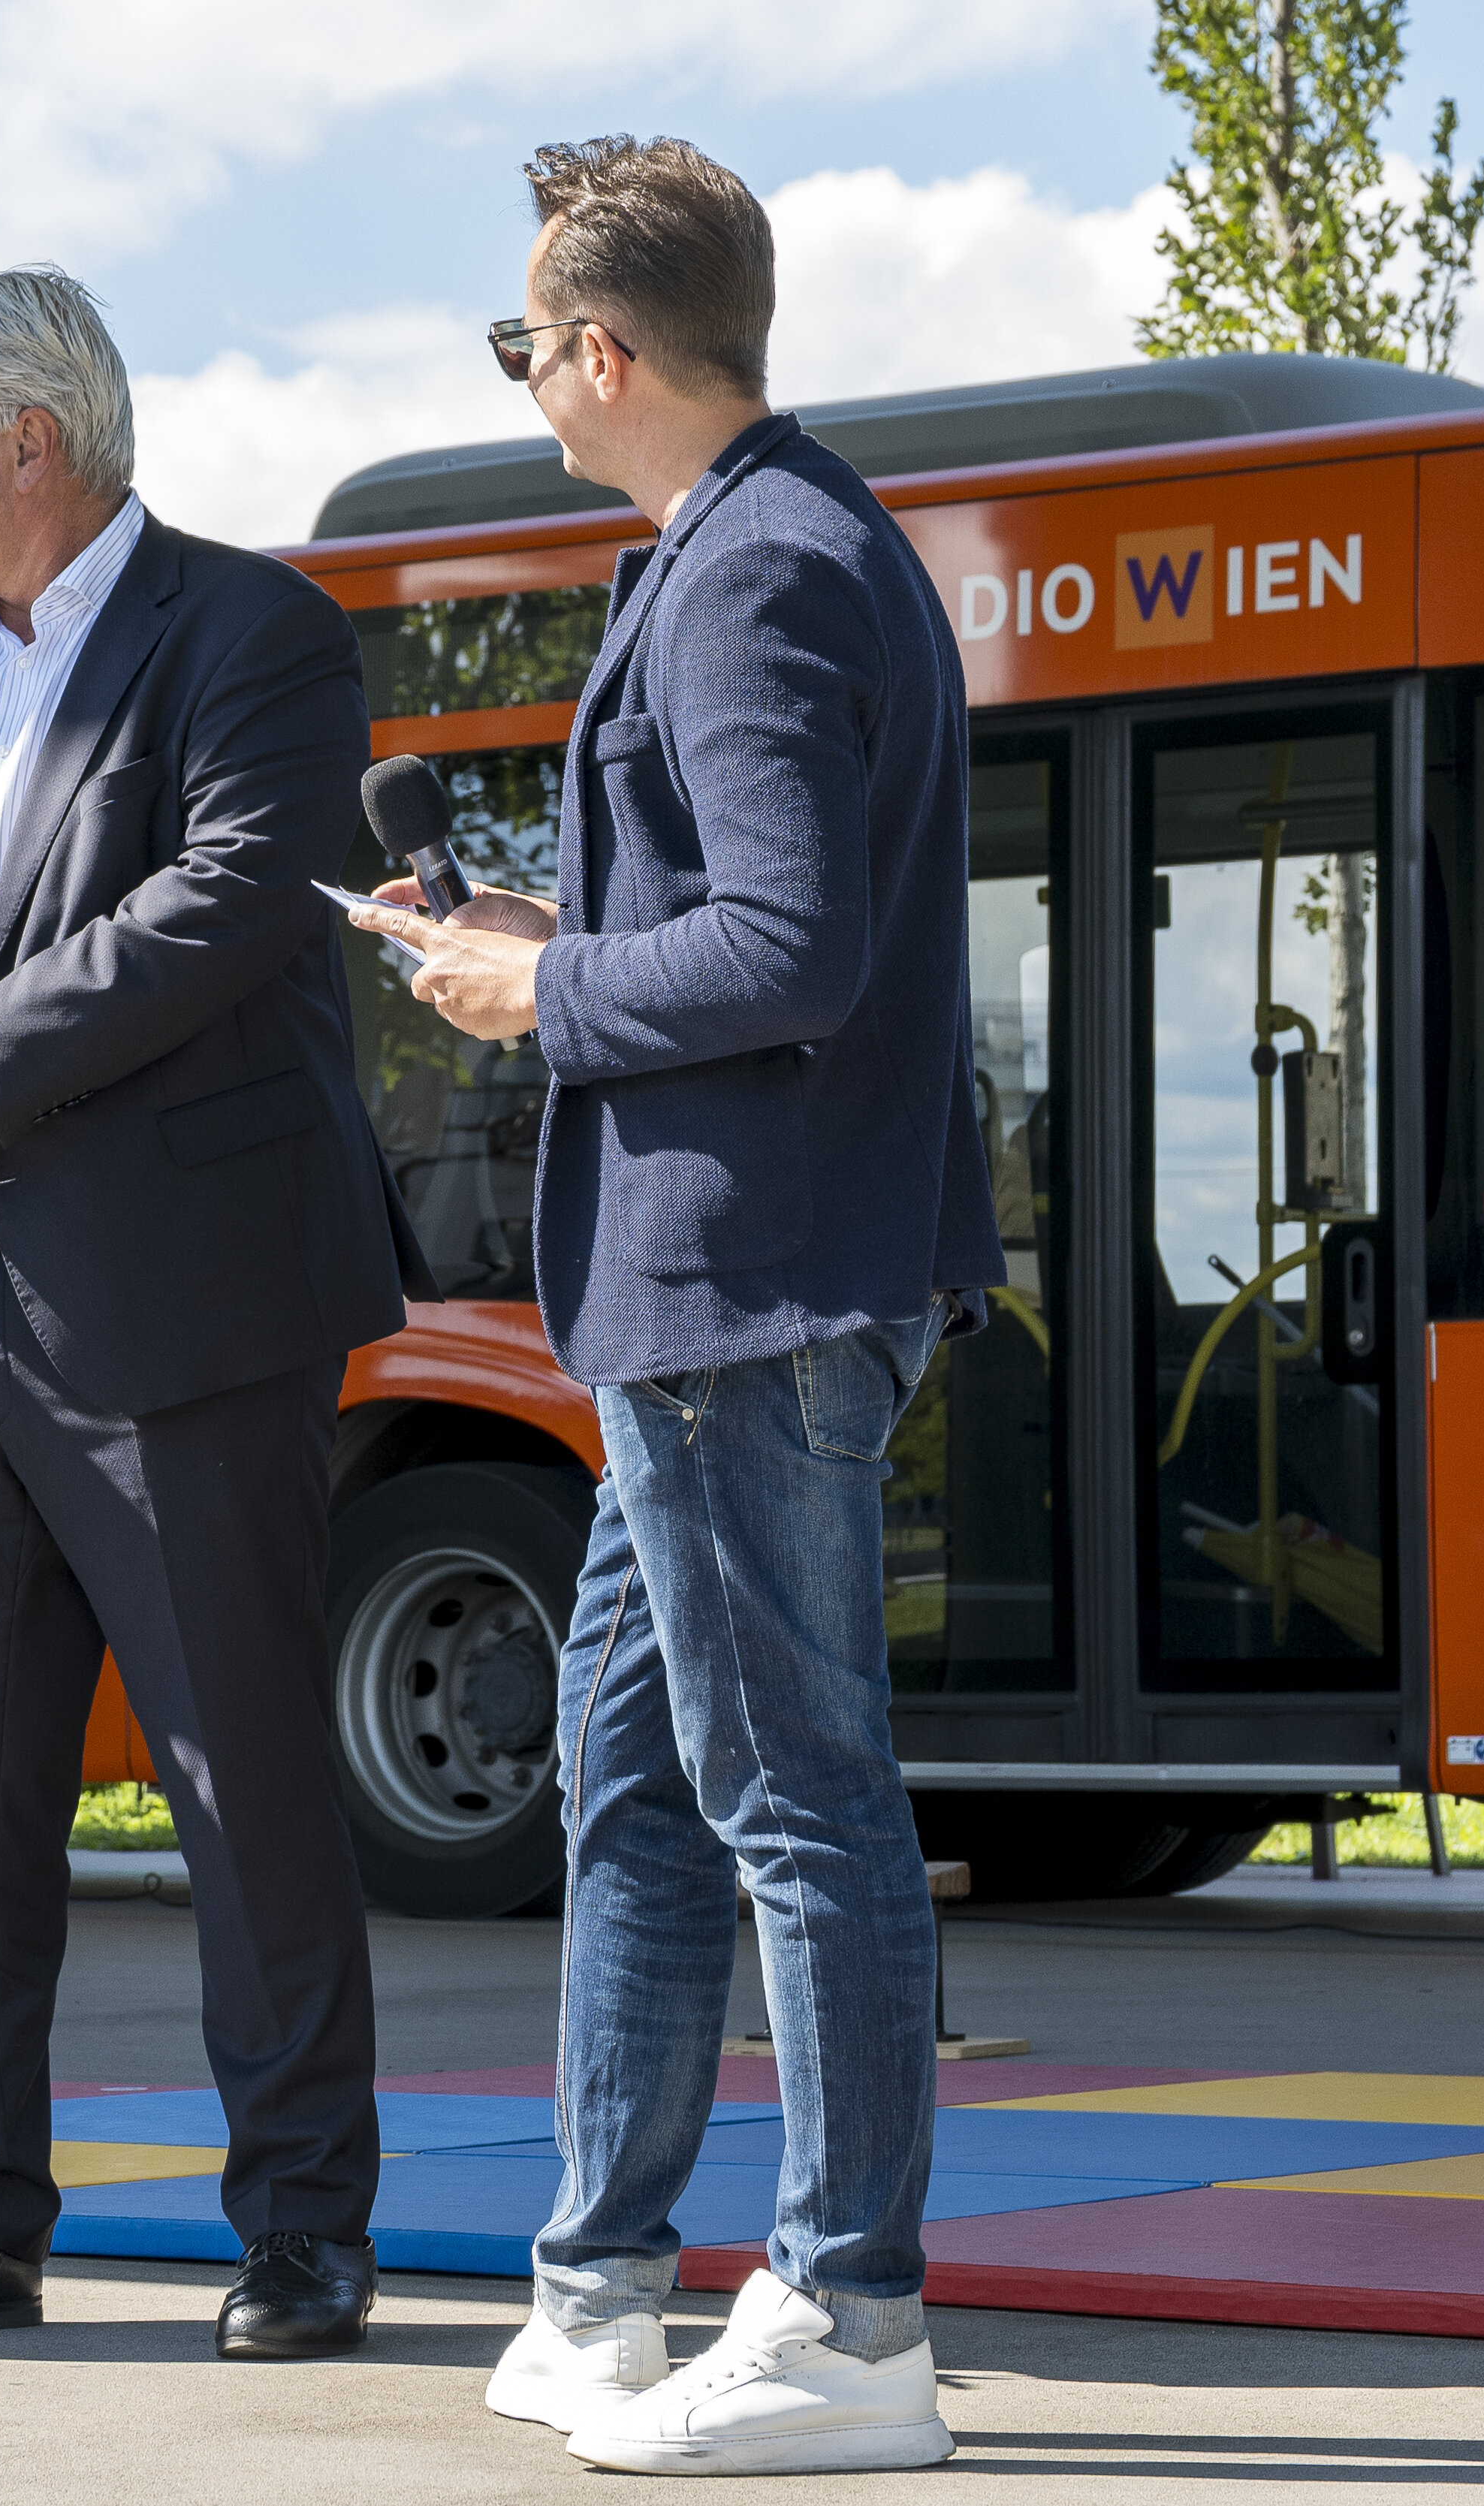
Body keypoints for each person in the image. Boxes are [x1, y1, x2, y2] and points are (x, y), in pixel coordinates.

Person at [352, 137, 1001, 2474]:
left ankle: (848, 2316)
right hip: (718, 1289)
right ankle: (601, 2286)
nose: (525, 385)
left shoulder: (750, 576)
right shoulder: (786, 541)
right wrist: (535, 930)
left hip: (745, 1288)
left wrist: (542, 983)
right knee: (638, 1779)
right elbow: (762, 916)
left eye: (527, 350)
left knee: (794, 1796)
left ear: (604, 351)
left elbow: (788, 947)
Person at [0, 267, 436, 2363]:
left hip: (175, 1325)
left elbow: (226, 898)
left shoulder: (253, 632)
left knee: (243, 1789)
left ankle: (301, 2228)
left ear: (23, 444)